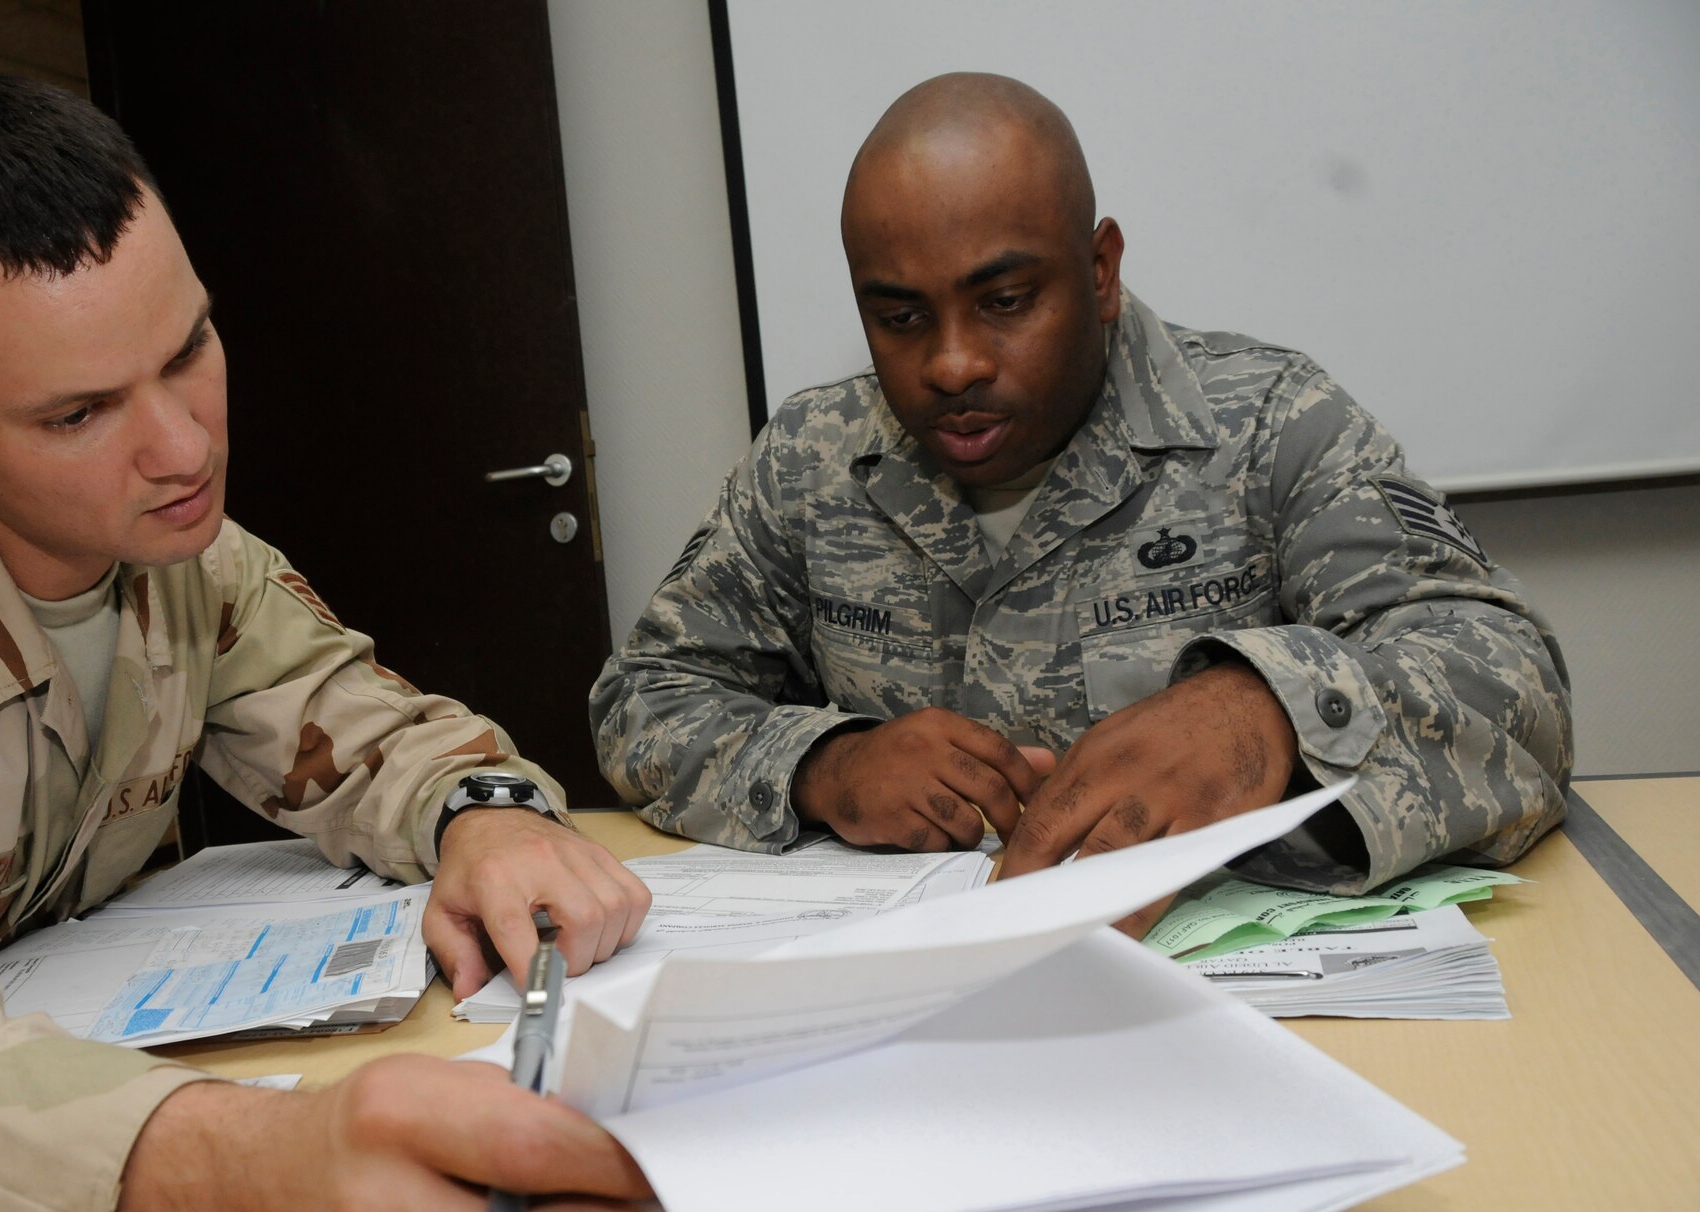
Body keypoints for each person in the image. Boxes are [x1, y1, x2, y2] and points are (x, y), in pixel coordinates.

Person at [0, 77, 661, 1212]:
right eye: (81, 410)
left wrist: (482, 813)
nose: (184, 447)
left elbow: (357, 718)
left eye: (188, 349)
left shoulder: (179, 554)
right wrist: (233, 1188)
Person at [591, 73, 1571, 930]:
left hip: (1223, 1009)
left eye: (1004, 301)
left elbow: (1513, 688)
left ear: (1098, 270)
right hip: (915, 1017)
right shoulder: (810, 458)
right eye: (897, 317)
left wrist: (1258, 713)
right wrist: (824, 764)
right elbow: (643, 701)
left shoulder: (1269, 423)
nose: (951, 363)